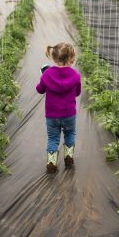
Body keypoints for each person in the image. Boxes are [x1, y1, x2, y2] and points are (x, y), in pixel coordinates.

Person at [36, 42, 81, 173]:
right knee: (70, 133)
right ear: (71, 59)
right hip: (69, 114)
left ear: (54, 58)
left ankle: (51, 162)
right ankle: (68, 156)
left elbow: (39, 90)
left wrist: (43, 77)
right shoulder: (76, 75)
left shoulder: (47, 74)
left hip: (52, 115)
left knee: (53, 138)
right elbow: (77, 93)